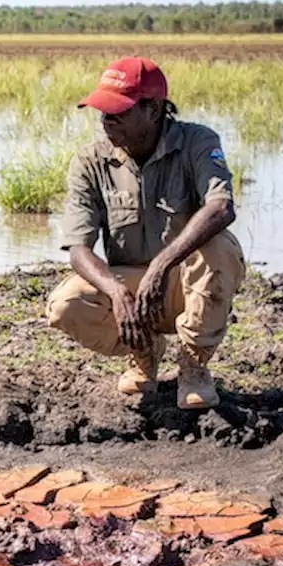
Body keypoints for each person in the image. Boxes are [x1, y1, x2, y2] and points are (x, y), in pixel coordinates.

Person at [46, 57, 245, 410]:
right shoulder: (90, 162)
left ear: (153, 111)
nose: (107, 120)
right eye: (103, 111)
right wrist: (116, 292)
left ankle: (193, 367)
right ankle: (144, 352)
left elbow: (220, 208)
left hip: (186, 284)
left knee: (219, 246)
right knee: (64, 305)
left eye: (118, 112)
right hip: (134, 291)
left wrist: (163, 265)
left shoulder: (197, 141)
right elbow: (79, 250)